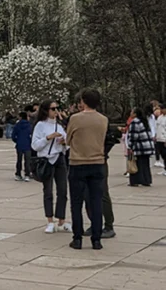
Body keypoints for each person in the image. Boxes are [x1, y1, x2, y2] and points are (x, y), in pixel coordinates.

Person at [65, 89, 109, 250]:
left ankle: (77, 238)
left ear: (83, 101)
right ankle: (96, 239)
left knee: (76, 203)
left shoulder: (75, 119)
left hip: (78, 163)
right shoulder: (103, 119)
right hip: (97, 162)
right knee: (96, 202)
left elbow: (68, 139)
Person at [32, 100, 69, 233]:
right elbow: (35, 145)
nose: (56, 111)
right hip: (46, 160)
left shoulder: (59, 126)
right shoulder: (40, 126)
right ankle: (49, 220)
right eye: (53, 109)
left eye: (57, 108)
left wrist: (64, 142)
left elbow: (67, 144)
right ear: (46, 110)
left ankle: (62, 220)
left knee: (63, 190)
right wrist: (48, 138)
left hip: (59, 158)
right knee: (48, 191)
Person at [126, 106, 155, 187]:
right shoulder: (144, 121)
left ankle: (136, 180)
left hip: (140, 147)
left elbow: (133, 136)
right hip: (147, 146)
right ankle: (146, 180)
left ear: (135, 114)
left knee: (137, 164)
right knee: (145, 164)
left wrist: (130, 146)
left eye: (132, 112)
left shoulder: (135, 122)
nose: (130, 113)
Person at [12, 111, 33, 182]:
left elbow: (13, 136)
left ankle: (18, 174)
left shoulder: (17, 125)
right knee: (27, 161)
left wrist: (17, 141)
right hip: (28, 145)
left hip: (19, 145)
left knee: (19, 160)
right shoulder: (30, 125)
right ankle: (27, 175)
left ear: (20, 117)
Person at [156, 106, 166, 175]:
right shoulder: (160, 117)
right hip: (159, 138)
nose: (162, 110)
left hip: (164, 138)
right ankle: (165, 169)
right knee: (162, 154)